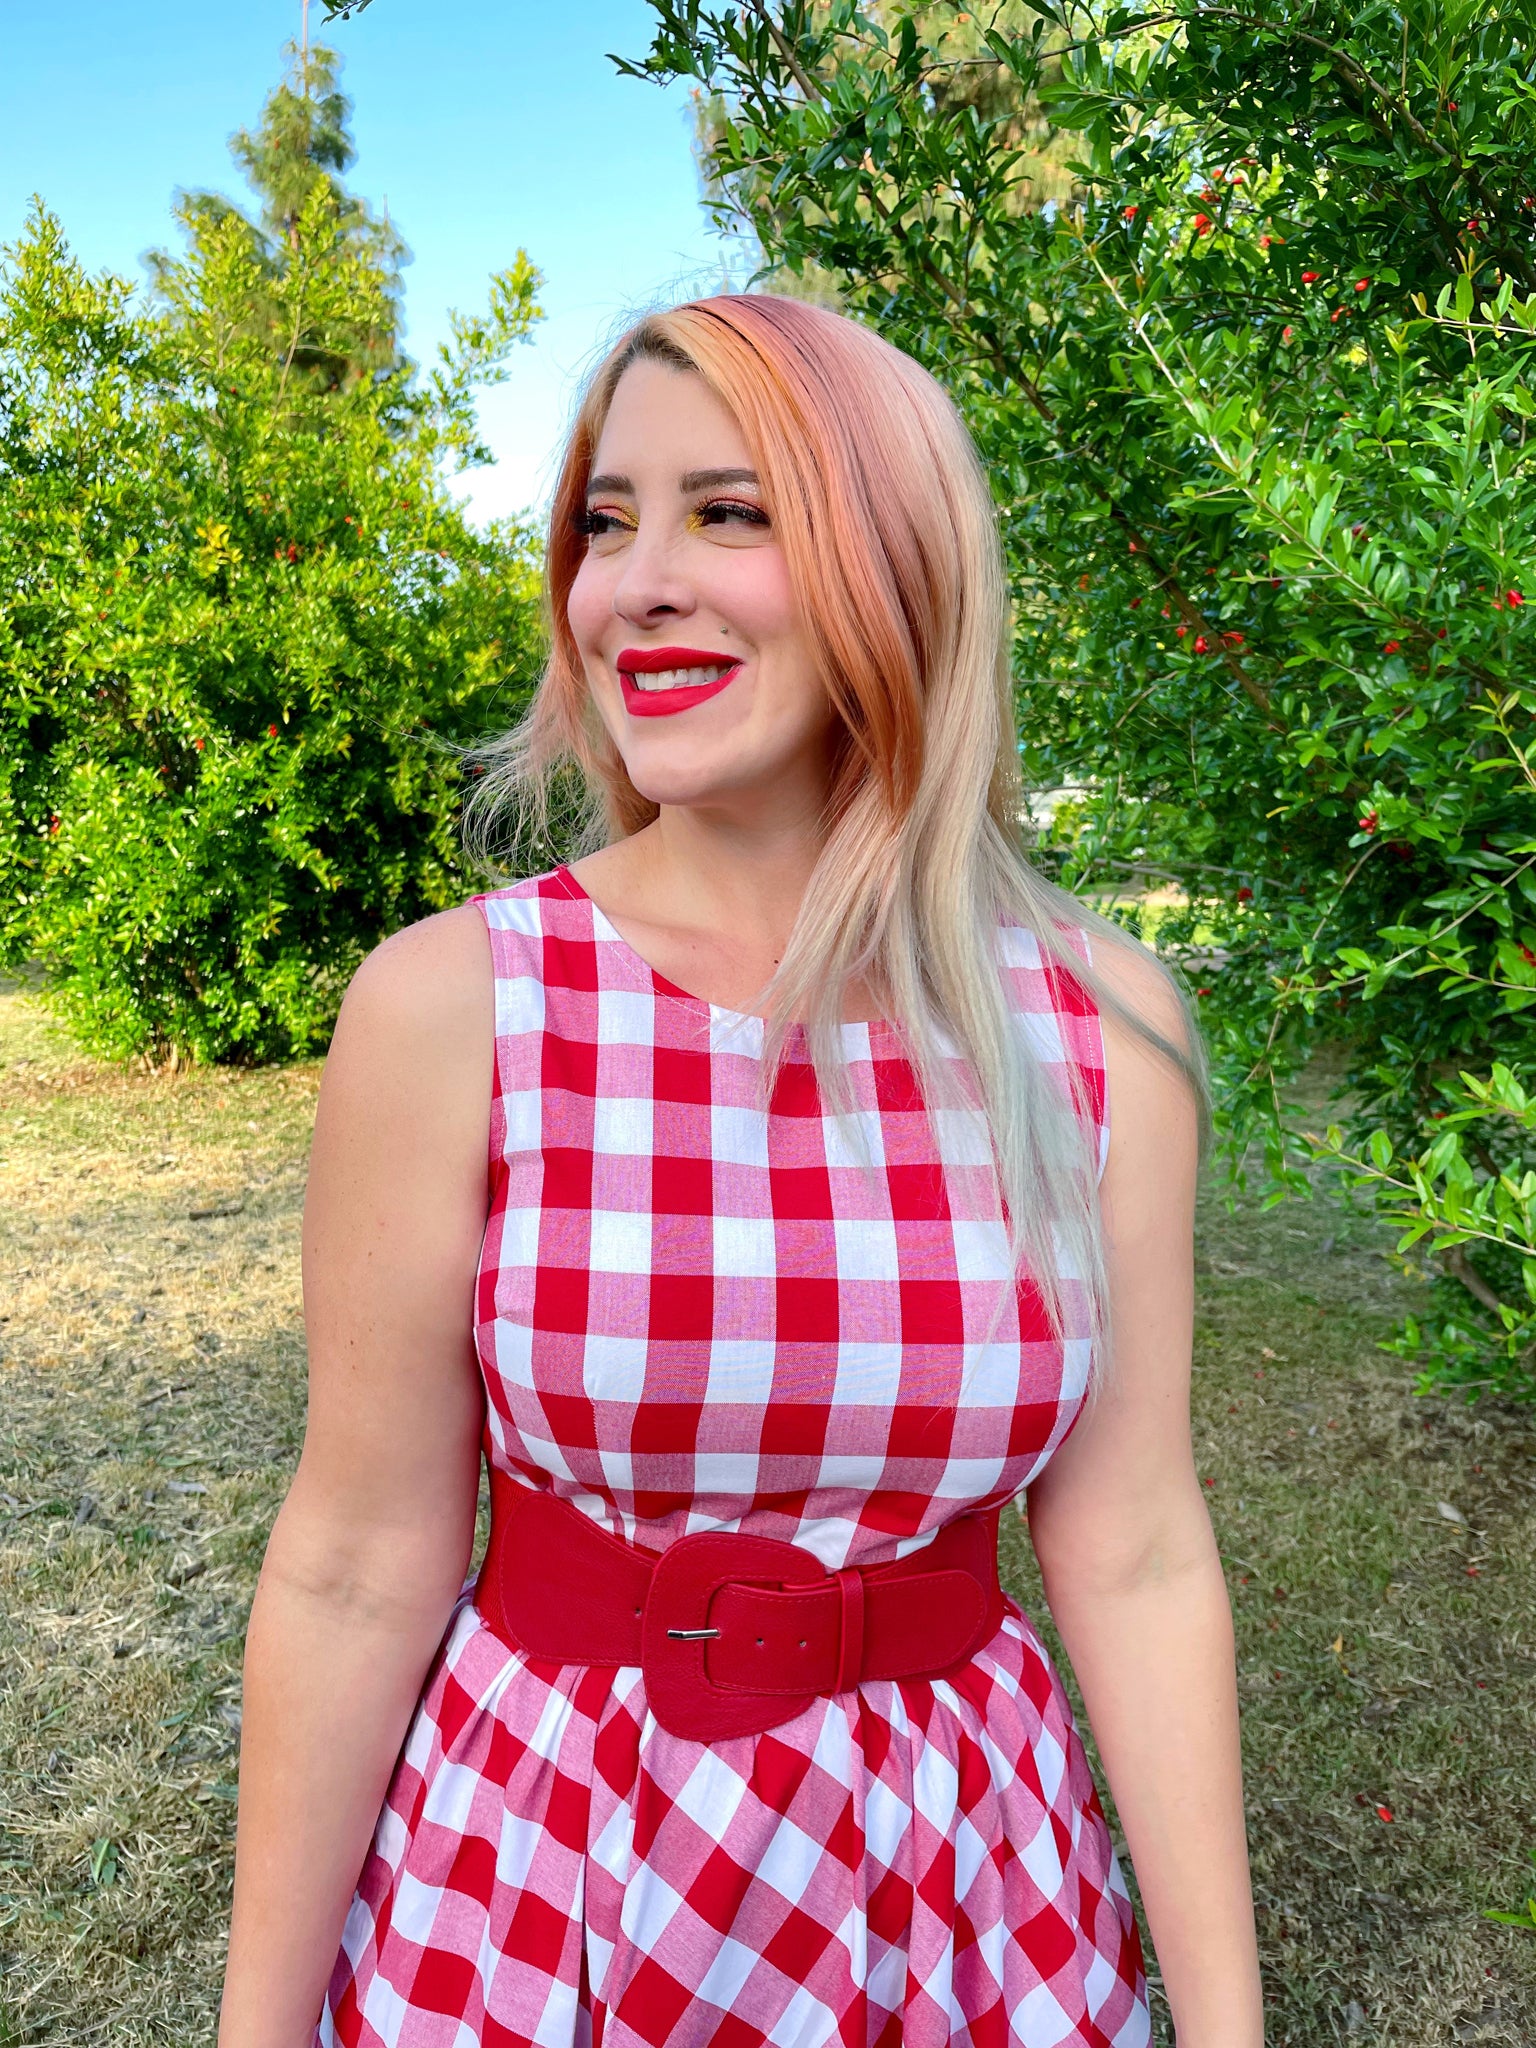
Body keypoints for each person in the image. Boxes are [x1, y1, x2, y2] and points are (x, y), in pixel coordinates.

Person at [218, 293, 1265, 2048]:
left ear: (897, 561)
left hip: (963, 1887)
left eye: (729, 512)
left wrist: (1231, 2027)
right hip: (551, 1871)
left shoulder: (1096, 1028)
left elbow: (1141, 1547)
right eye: (605, 523)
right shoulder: (458, 1005)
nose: (633, 585)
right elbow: (353, 1560)